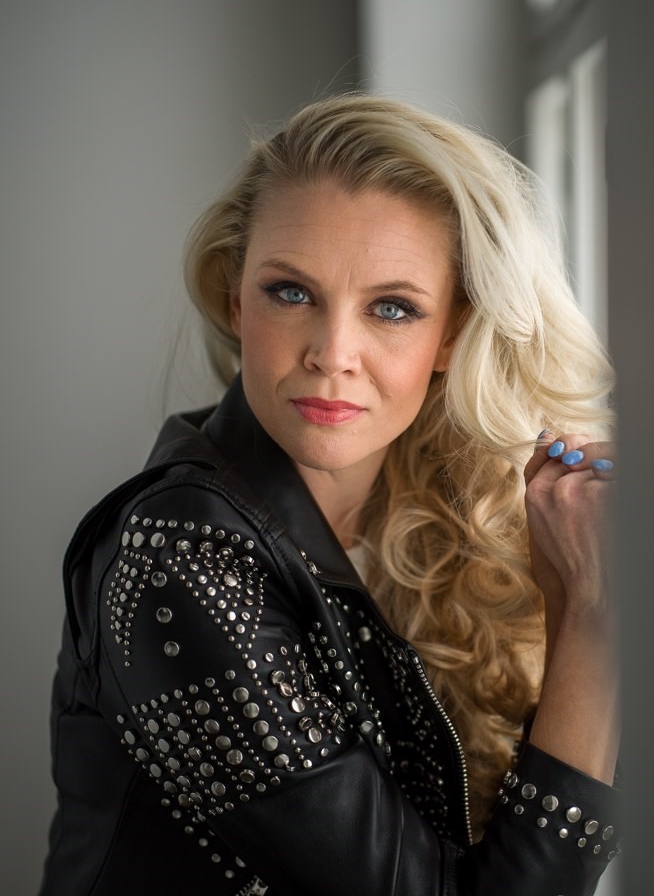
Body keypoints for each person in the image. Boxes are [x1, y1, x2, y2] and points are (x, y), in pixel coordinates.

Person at [39, 94, 620, 896]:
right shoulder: (180, 556)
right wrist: (596, 615)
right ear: (236, 299)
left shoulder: (442, 518)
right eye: (291, 292)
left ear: (452, 333)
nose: (333, 352)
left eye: (392, 307)